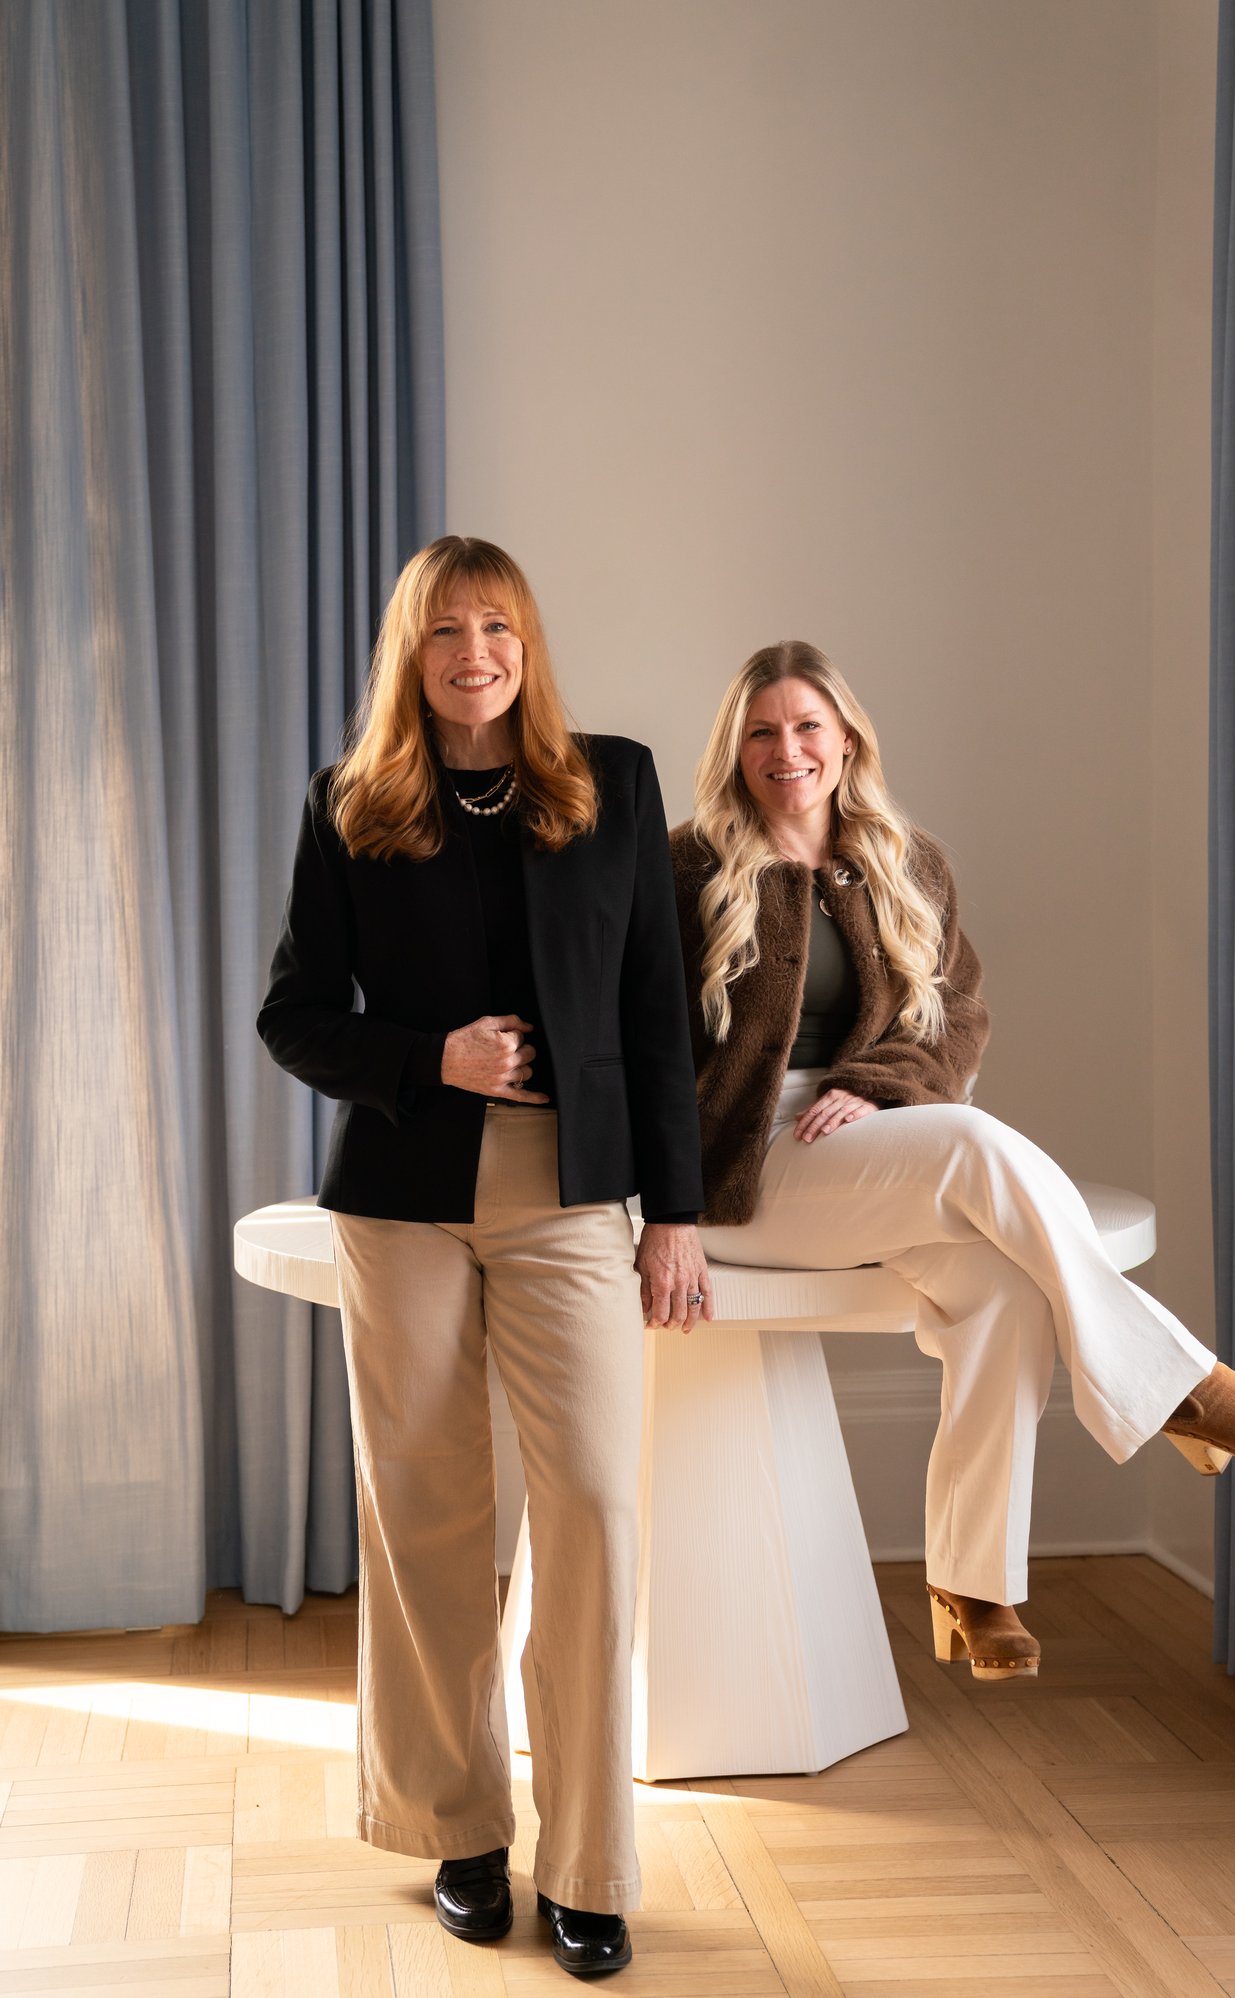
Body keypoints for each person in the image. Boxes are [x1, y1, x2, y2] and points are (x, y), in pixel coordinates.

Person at [257, 536, 710, 1977]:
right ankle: (458, 1828)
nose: (474, 654)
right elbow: (293, 1014)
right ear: (413, 651)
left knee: (591, 1505)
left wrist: (675, 1212)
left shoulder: (611, 783)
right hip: (402, 1196)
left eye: (497, 627)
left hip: (571, 1193)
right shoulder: (352, 804)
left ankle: (588, 1864)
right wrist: (427, 1058)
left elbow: (655, 1009)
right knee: (426, 1508)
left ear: (528, 643)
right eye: (446, 631)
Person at [670, 639, 1235, 1680]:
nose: (786, 749)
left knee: (1004, 1288)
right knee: (971, 1141)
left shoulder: (910, 862)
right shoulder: (685, 868)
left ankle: (973, 1583)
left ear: (847, 739)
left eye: (808, 726)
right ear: (735, 750)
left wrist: (879, 1085)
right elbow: (638, 1044)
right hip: (740, 1164)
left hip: (876, 1137)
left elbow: (957, 1017)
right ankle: (1183, 1387)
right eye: (761, 732)